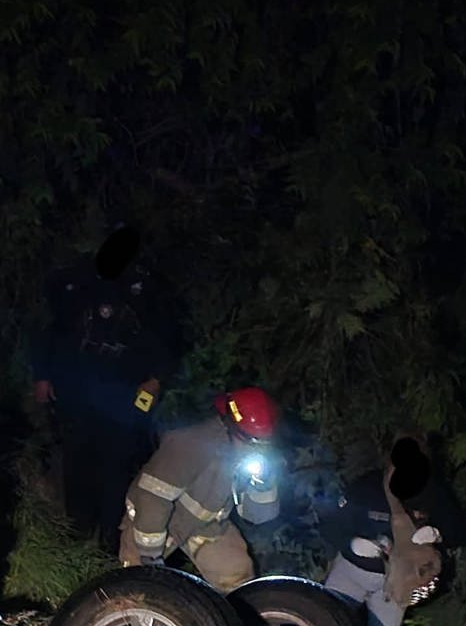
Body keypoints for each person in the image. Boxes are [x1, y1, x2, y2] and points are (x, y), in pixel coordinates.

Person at [30, 224, 179, 552]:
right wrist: (43, 376)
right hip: (76, 392)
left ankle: (111, 541)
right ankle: (76, 533)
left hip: (124, 397)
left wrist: (155, 380)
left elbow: (167, 338)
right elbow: (50, 331)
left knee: (117, 468)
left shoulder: (147, 288)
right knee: (77, 463)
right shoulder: (77, 281)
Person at [119, 387, 281, 592]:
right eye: (251, 442)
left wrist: (263, 484)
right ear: (231, 429)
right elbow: (152, 498)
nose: (256, 450)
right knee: (138, 588)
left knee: (237, 576)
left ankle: (241, 620)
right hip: (154, 519)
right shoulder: (191, 443)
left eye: (262, 443)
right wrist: (150, 555)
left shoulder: (254, 459)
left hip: (206, 524)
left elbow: (258, 517)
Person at [322, 437, 446, 626]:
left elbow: (463, 531)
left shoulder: (433, 494)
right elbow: (331, 524)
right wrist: (352, 544)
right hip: (351, 571)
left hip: (395, 586)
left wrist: (438, 534)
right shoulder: (366, 487)